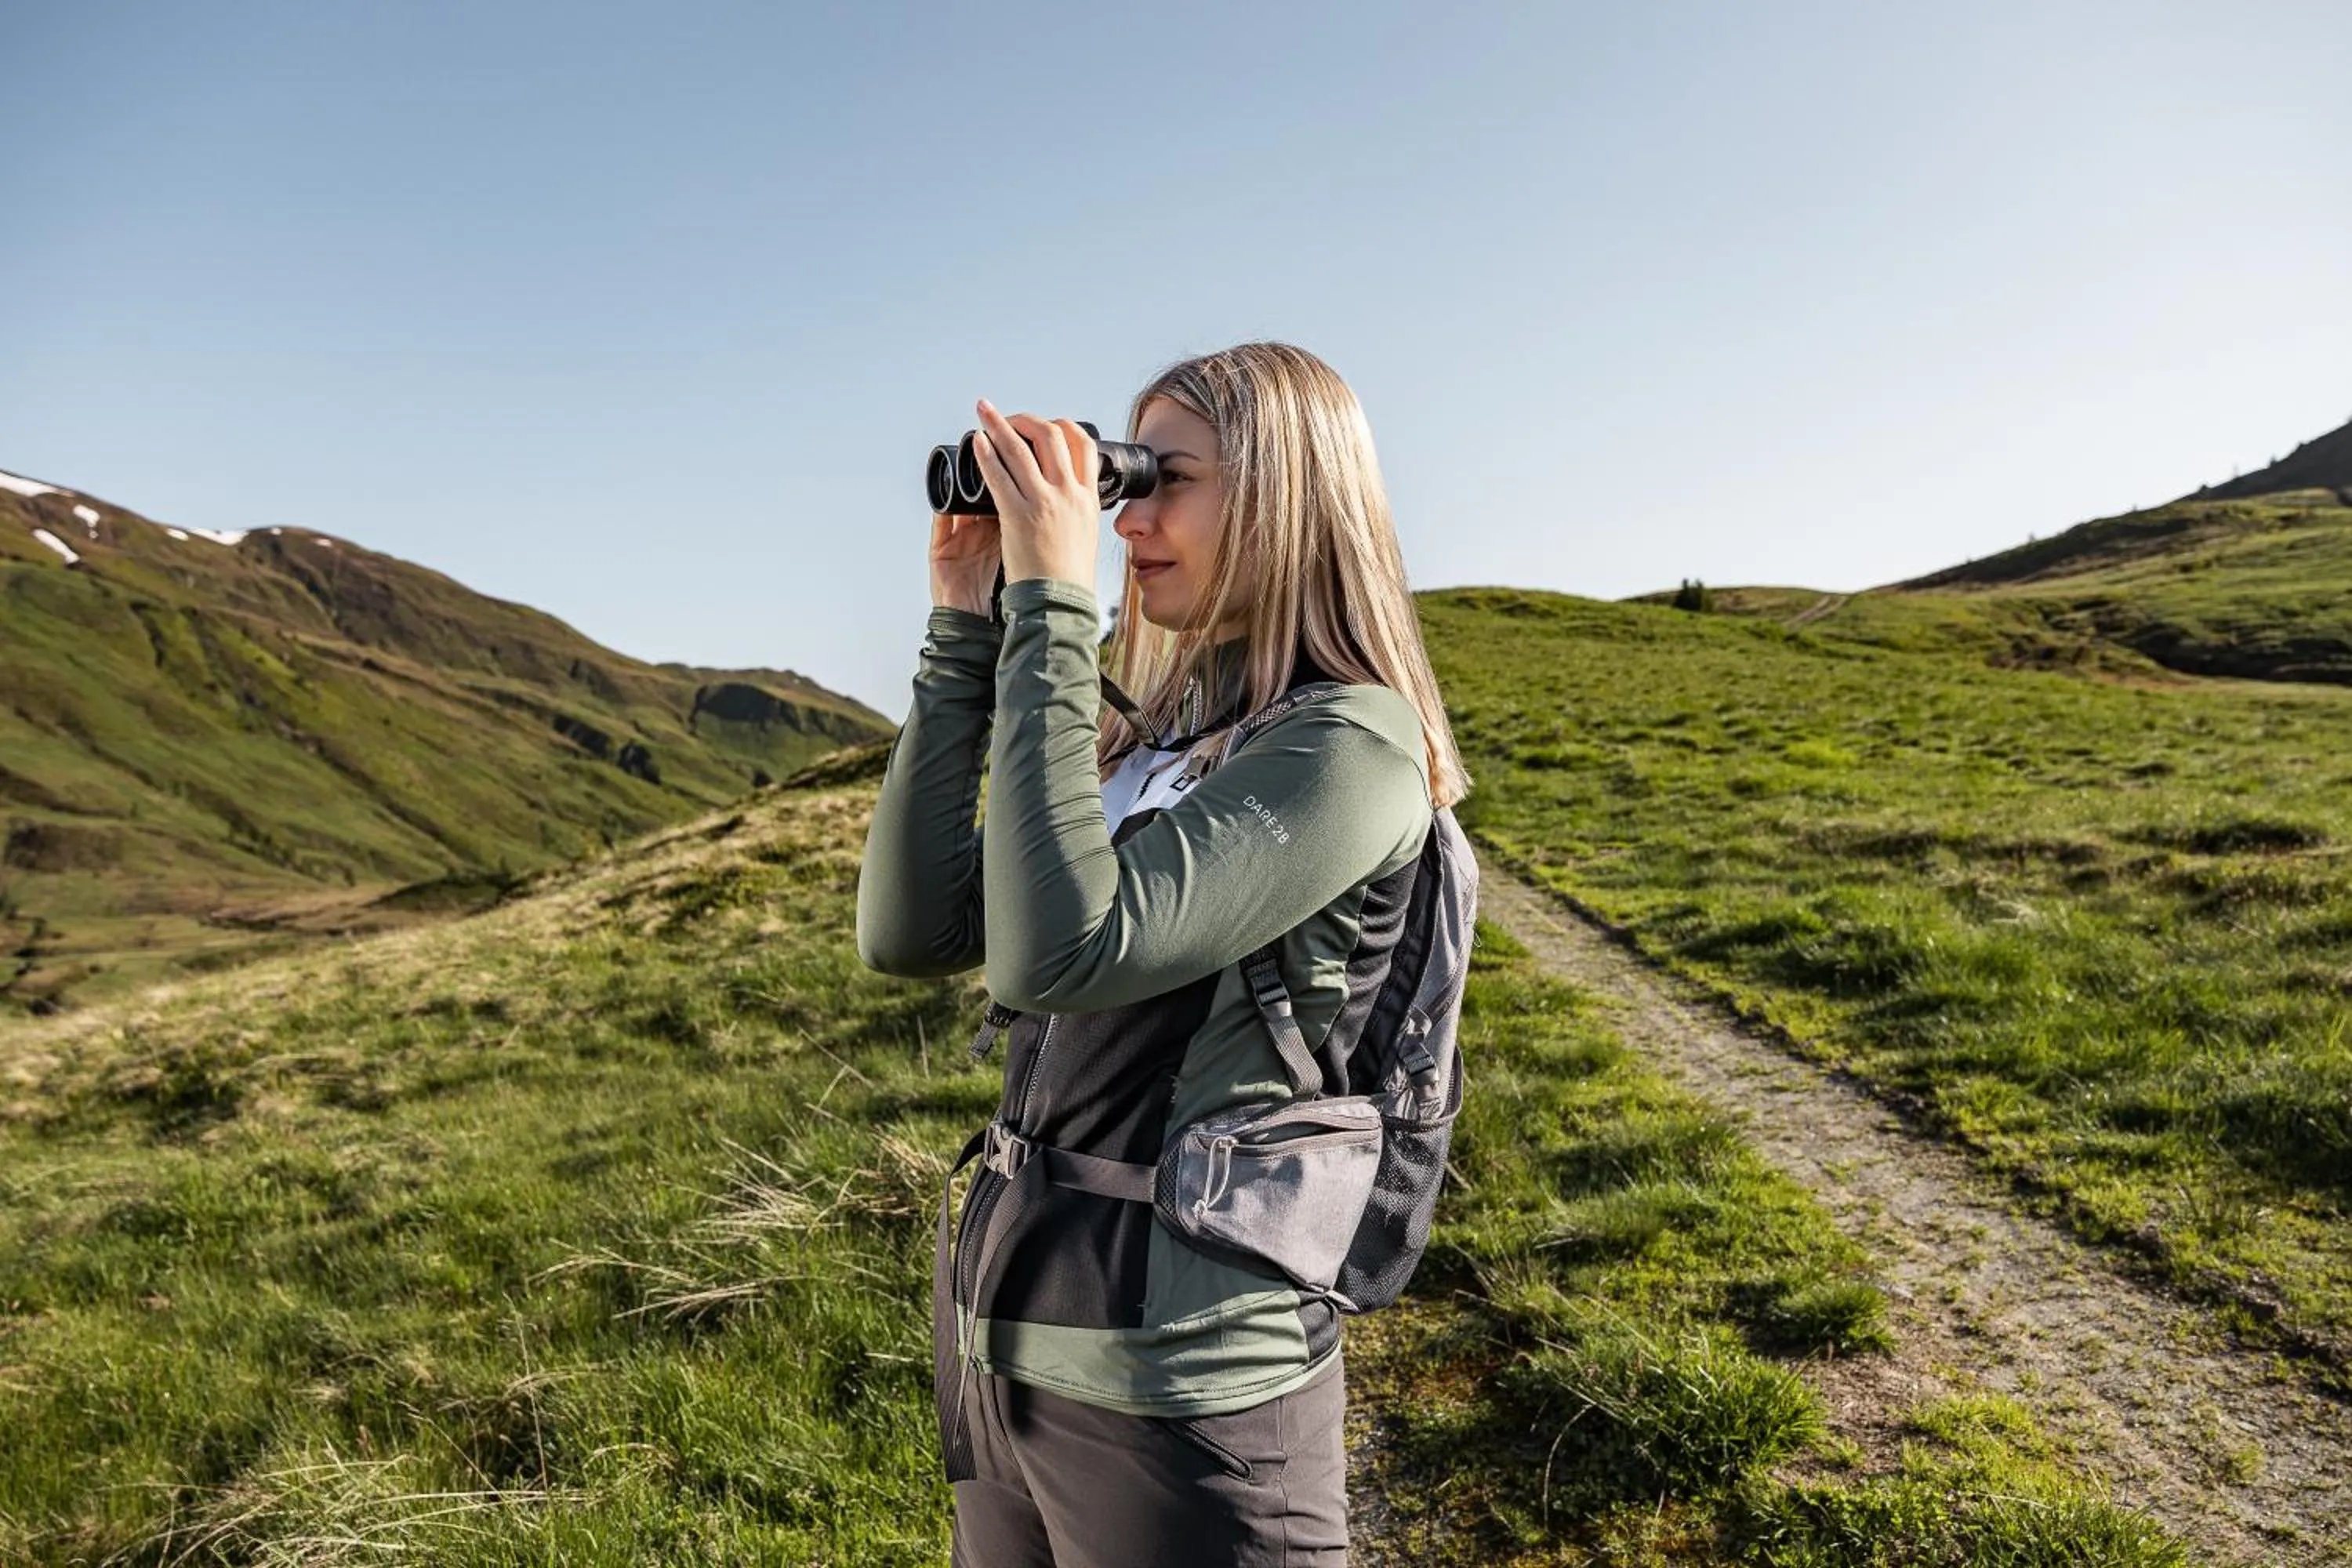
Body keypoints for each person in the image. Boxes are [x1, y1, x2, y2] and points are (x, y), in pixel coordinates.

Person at [858, 341, 1471, 1566]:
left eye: (1161, 479)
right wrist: (963, 634)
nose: (1126, 518)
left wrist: (1051, 605)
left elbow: (1056, 959)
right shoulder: (1174, 740)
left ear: (1289, 494)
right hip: (1004, 1350)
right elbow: (912, 932)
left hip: (1186, 1384)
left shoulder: (1351, 742)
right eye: (1119, 482)